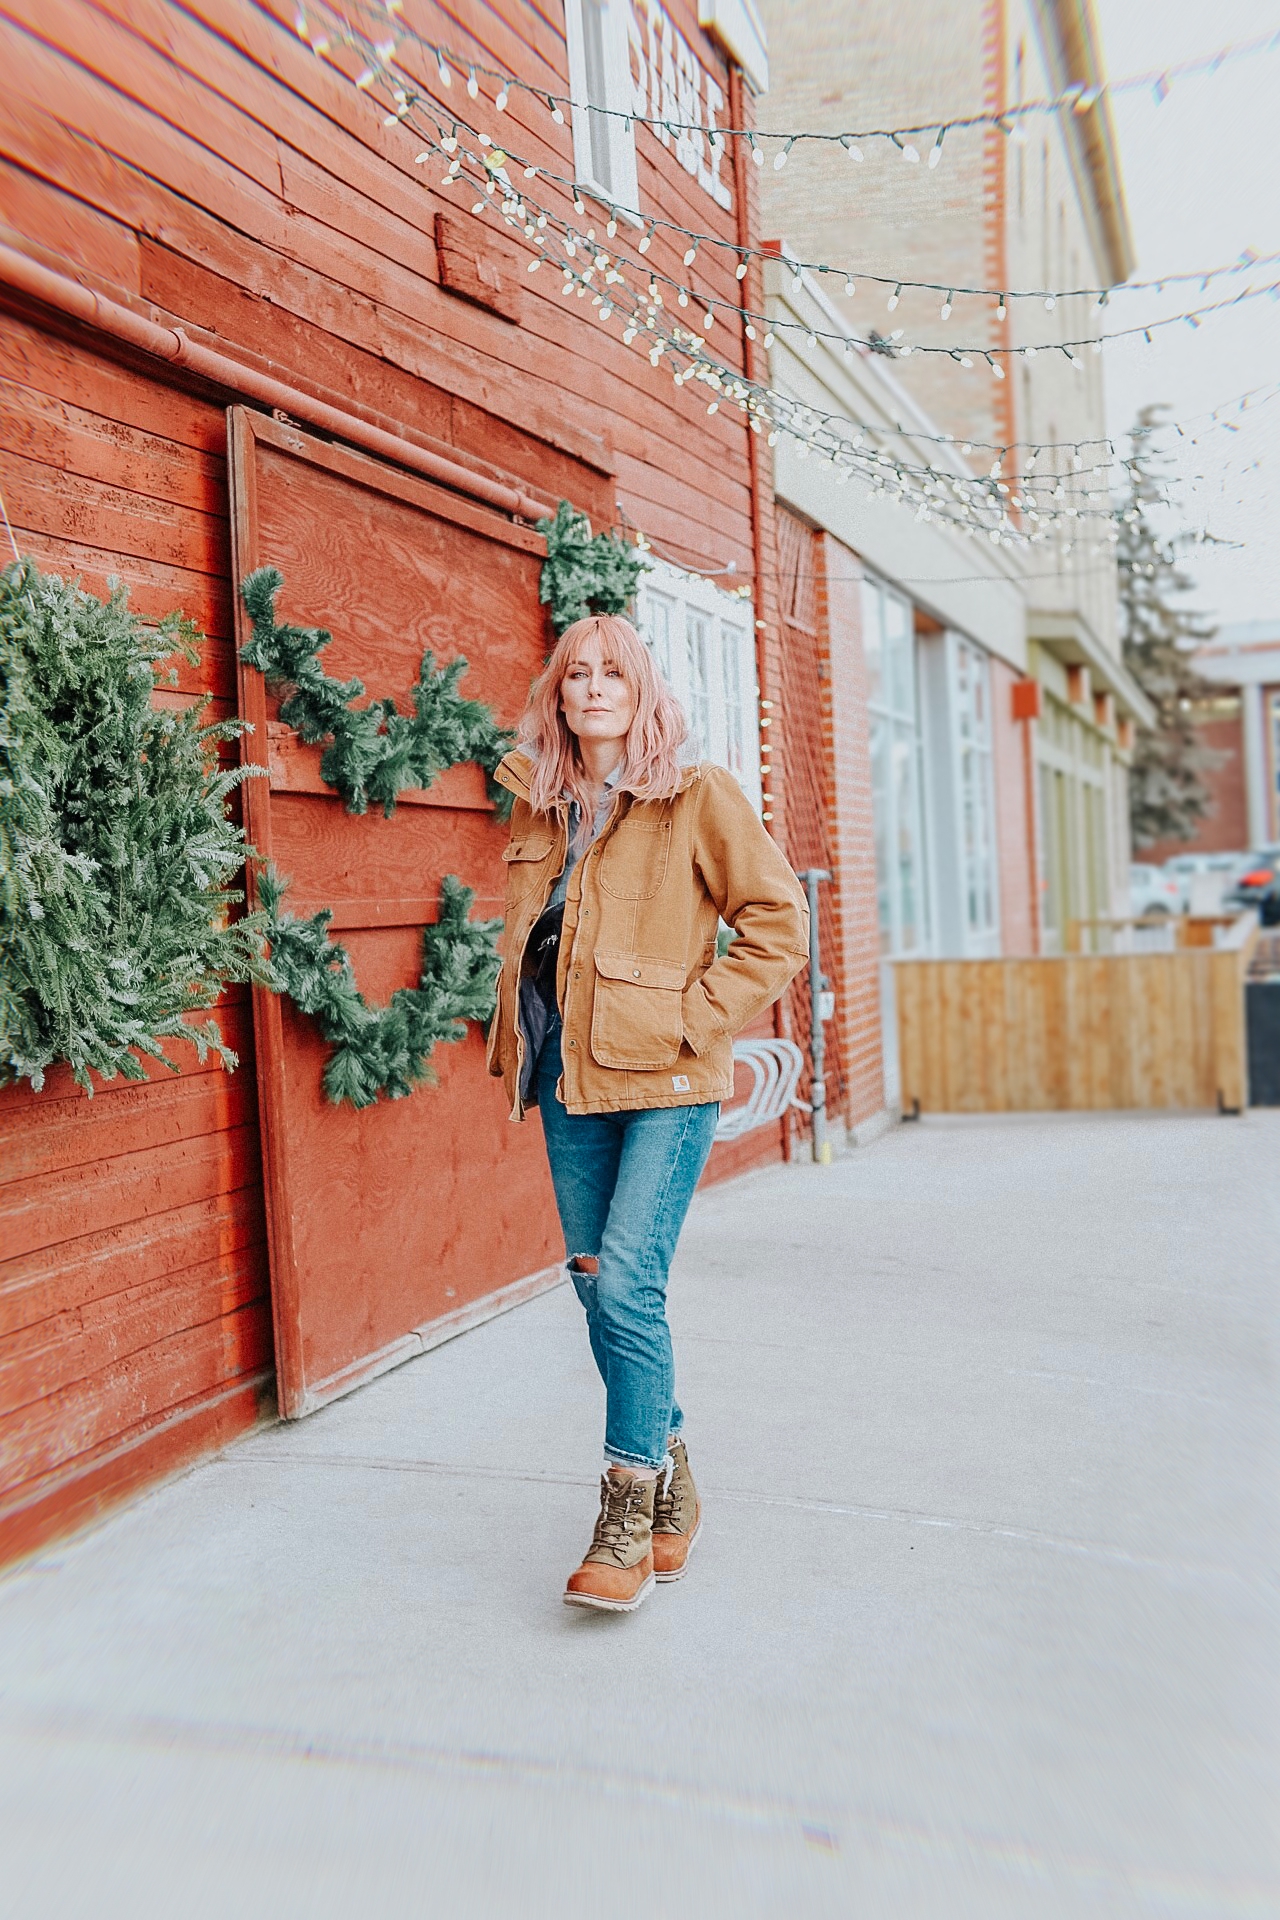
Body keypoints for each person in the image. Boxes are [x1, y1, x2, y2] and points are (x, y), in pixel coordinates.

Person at [488, 613, 809, 1613]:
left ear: (642, 692)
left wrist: (696, 1016)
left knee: (628, 1282)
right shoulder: (540, 807)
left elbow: (778, 922)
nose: (593, 687)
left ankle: (625, 1514)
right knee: (597, 1284)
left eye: (613, 673)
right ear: (557, 695)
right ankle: (673, 1472)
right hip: (566, 1076)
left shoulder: (695, 796)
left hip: (666, 1080)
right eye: (576, 673)